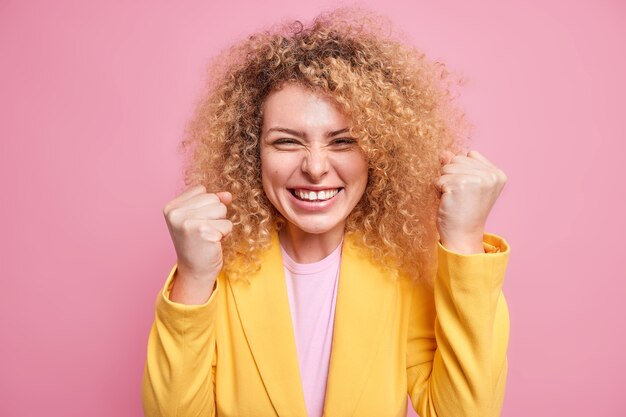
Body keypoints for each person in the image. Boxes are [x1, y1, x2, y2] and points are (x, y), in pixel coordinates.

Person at [142, 8, 510, 417]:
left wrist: (465, 239)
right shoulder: (215, 272)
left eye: (342, 141)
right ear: (252, 153)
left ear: (379, 153)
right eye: (286, 142)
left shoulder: (406, 275)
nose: (315, 168)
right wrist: (193, 277)